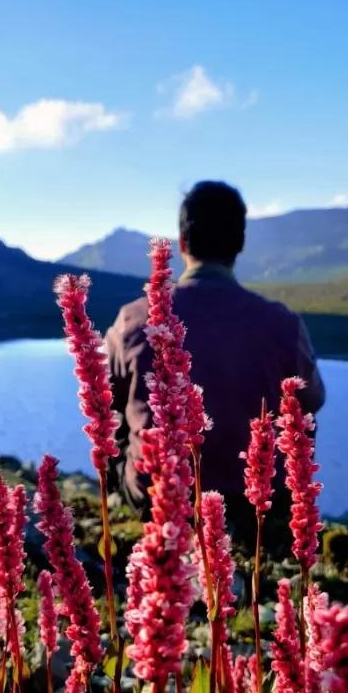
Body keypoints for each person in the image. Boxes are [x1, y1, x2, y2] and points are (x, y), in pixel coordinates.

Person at [106, 180, 324, 527]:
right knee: (299, 415)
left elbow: (106, 403)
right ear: (240, 244)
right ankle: (277, 525)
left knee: (113, 419)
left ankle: (133, 504)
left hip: (155, 497)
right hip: (259, 502)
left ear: (181, 244)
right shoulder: (284, 325)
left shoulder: (131, 320)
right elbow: (313, 399)